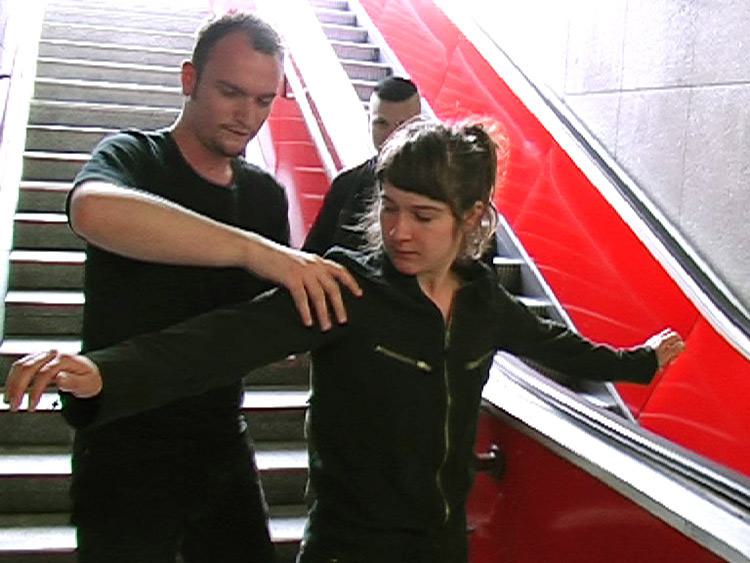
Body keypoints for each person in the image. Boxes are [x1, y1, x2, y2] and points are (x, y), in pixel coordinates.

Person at [5, 119, 685, 563]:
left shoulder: (486, 304)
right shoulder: (346, 291)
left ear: (473, 217)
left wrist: (641, 361)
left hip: (440, 547)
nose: (399, 231)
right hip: (346, 548)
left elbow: (563, 347)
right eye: (390, 208)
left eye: (423, 216)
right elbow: (222, 340)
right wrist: (104, 371)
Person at [32, 12, 359, 563]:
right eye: (231, 92)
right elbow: (91, 211)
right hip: (122, 441)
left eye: (263, 100)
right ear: (190, 79)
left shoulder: (264, 195)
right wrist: (255, 251)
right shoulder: (135, 157)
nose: (247, 116)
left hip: (220, 437)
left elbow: (263, 323)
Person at [302, 75, 422, 254]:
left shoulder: (441, 186)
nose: (392, 135)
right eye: (381, 123)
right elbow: (313, 255)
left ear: (419, 126)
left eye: (402, 125)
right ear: (369, 124)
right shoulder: (345, 185)